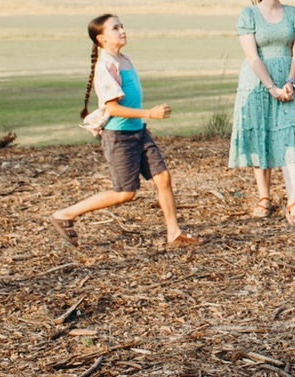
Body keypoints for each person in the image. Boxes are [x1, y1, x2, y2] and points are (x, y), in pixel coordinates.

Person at [49, 14, 200, 249]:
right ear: (101, 38)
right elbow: (112, 108)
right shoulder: (105, 66)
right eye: (115, 28)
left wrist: (144, 121)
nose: (122, 31)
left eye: (122, 26)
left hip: (139, 132)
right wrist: (150, 113)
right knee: (125, 193)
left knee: (163, 178)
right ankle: (65, 214)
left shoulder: (124, 59)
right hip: (119, 137)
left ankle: (174, 232)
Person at [229, 0, 295, 226]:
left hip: (287, 79)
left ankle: (293, 200)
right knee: (260, 135)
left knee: (289, 137)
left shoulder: (293, 13)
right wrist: (271, 87)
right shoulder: (249, 14)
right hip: (258, 81)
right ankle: (264, 196)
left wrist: (290, 81)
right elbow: (252, 56)